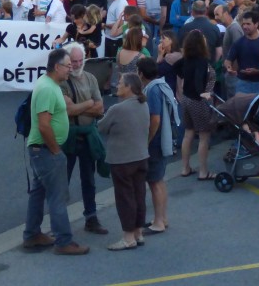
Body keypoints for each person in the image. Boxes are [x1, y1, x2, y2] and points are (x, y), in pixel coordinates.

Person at [22, 49, 89, 255]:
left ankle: (32, 234)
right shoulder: (48, 89)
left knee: (39, 192)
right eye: (68, 66)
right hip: (45, 150)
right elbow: (44, 125)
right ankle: (63, 241)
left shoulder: (49, 85)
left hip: (41, 150)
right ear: (57, 67)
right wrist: (56, 151)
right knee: (57, 196)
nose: (71, 69)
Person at [98, 73, 151, 250]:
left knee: (125, 198)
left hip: (122, 159)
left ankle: (128, 237)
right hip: (141, 156)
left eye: (120, 83)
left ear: (129, 87)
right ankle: (138, 232)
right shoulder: (143, 105)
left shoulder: (117, 109)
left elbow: (101, 127)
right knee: (139, 195)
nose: (116, 86)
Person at [59, 43, 108, 235]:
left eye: (81, 60)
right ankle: (60, 222)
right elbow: (68, 109)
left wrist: (80, 106)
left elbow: (100, 109)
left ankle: (91, 218)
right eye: (74, 61)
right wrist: (90, 104)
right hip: (70, 136)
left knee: (89, 179)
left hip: (87, 135)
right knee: (63, 181)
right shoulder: (63, 81)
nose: (78, 64)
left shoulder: (91, 78)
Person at [137, 58, 178, 235]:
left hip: (155, 142)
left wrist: (146, 140)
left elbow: (155, 119)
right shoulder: (160, 85)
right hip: (162, 140)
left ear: (141, 73)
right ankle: (161, 218)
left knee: (154, 182)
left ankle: (159, 221)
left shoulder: (152, 89)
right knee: (158, 180)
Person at [175, 30, 216, 180]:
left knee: (188, 134)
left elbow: (176, 68)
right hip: (198, 101)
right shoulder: (202, 61)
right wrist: (202, 93)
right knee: (204, 137)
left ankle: (185, 167)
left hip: (185, 99)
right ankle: (203, 171)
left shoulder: (185, 59)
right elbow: (199, 79)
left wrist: (184, 76)